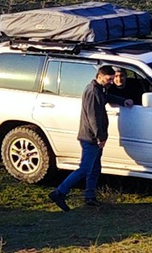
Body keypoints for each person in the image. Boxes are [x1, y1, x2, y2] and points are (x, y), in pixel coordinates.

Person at [51, 63, 124, 211]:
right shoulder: (93, 92)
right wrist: (100, 137)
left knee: (95, 168)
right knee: (85, 169)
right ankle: (59, 192)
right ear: (99, 76)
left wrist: (122, 100)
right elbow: (93, 117)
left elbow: (106, 97)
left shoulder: (99, 89)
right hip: (90, 138)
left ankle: (89, 197)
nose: (111, 82)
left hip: (94, 137)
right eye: (109, 79)